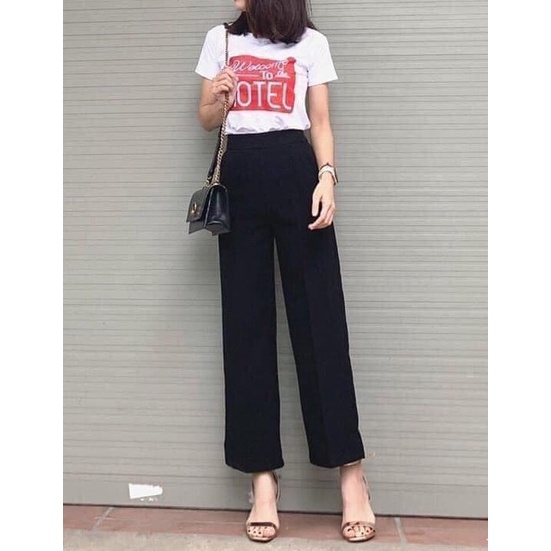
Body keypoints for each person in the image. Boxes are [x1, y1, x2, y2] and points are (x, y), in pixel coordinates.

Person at [194, 0, 376, 543]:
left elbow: (320, 121)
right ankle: (262, 481)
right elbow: (206, 119)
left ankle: (351, 476)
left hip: (297, 175)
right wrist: (218, 95)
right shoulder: (221, 39)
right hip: (240, 180)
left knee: (321, 324)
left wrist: (327, 178)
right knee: (246, 329)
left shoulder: (311, 44)